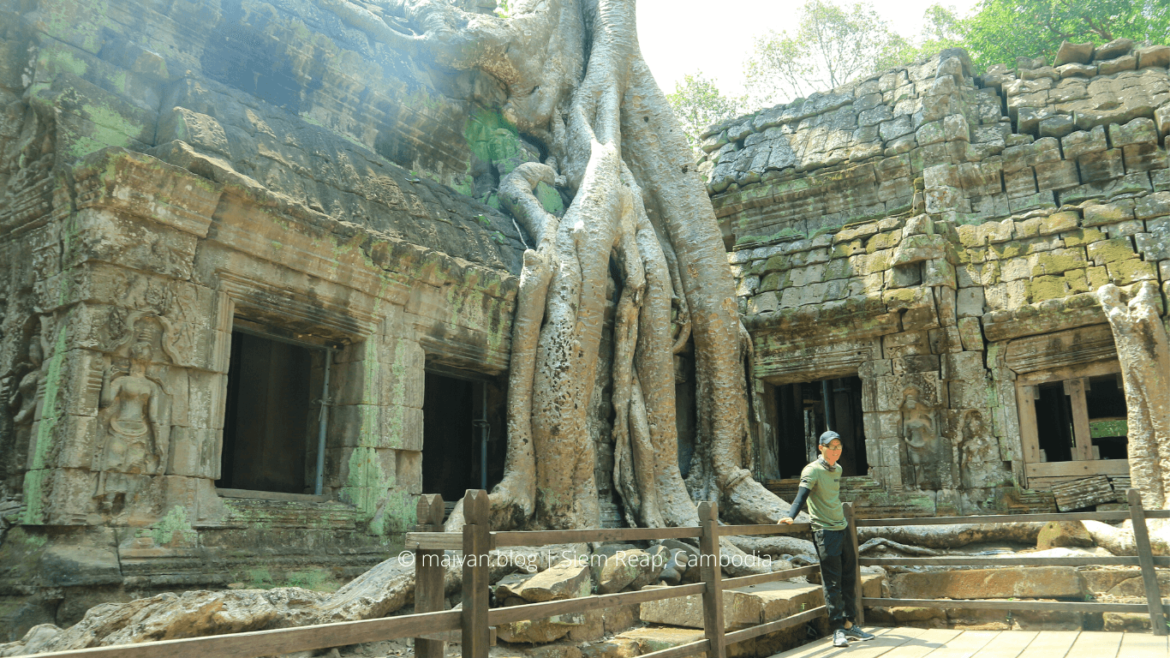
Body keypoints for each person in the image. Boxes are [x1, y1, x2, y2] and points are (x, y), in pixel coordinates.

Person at [778, 430, 874, 648]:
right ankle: (837, 629)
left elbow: (832, 497)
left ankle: (850, 624)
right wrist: (790, 516)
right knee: (833, 582)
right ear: (821, 448)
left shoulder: (837, 469)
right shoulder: (811, 471)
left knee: (849, 578)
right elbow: (801, 496)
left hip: (842, 527)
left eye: (839, 446)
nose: (836, 450)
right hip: (824, 531)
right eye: (831, 446)